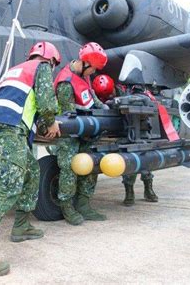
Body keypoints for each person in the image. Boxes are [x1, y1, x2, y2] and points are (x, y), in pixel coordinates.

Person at [0, 41, 62, 276]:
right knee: (8, 185)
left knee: (31, 171)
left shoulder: (17, 70)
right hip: (9, 126)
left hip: (1, 124)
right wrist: (51, 122)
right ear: (51, 60)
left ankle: (22, 226)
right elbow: (46, 103)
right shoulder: (42, 68)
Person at [53, 42, 109, 226]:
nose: (93, 73)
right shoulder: (65, 82)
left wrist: (106, 109)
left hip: (86, 130)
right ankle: (67, 206)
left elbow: (91, 97)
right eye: (93, 69)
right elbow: (68, 116)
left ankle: (84, 204)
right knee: (69, 167)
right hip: (70, 133)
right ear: (85, 63)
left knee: (91, 163)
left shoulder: (84, 76)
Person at [92, 74, 159, 206]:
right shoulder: (104, 98)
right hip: (124, 132)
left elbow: (146, 101)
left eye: (111, 94)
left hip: (141, 130)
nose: (110, 97)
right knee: (127, 162)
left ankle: (148, 189)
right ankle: (129, 192)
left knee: (145, 161)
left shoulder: (129, 91)